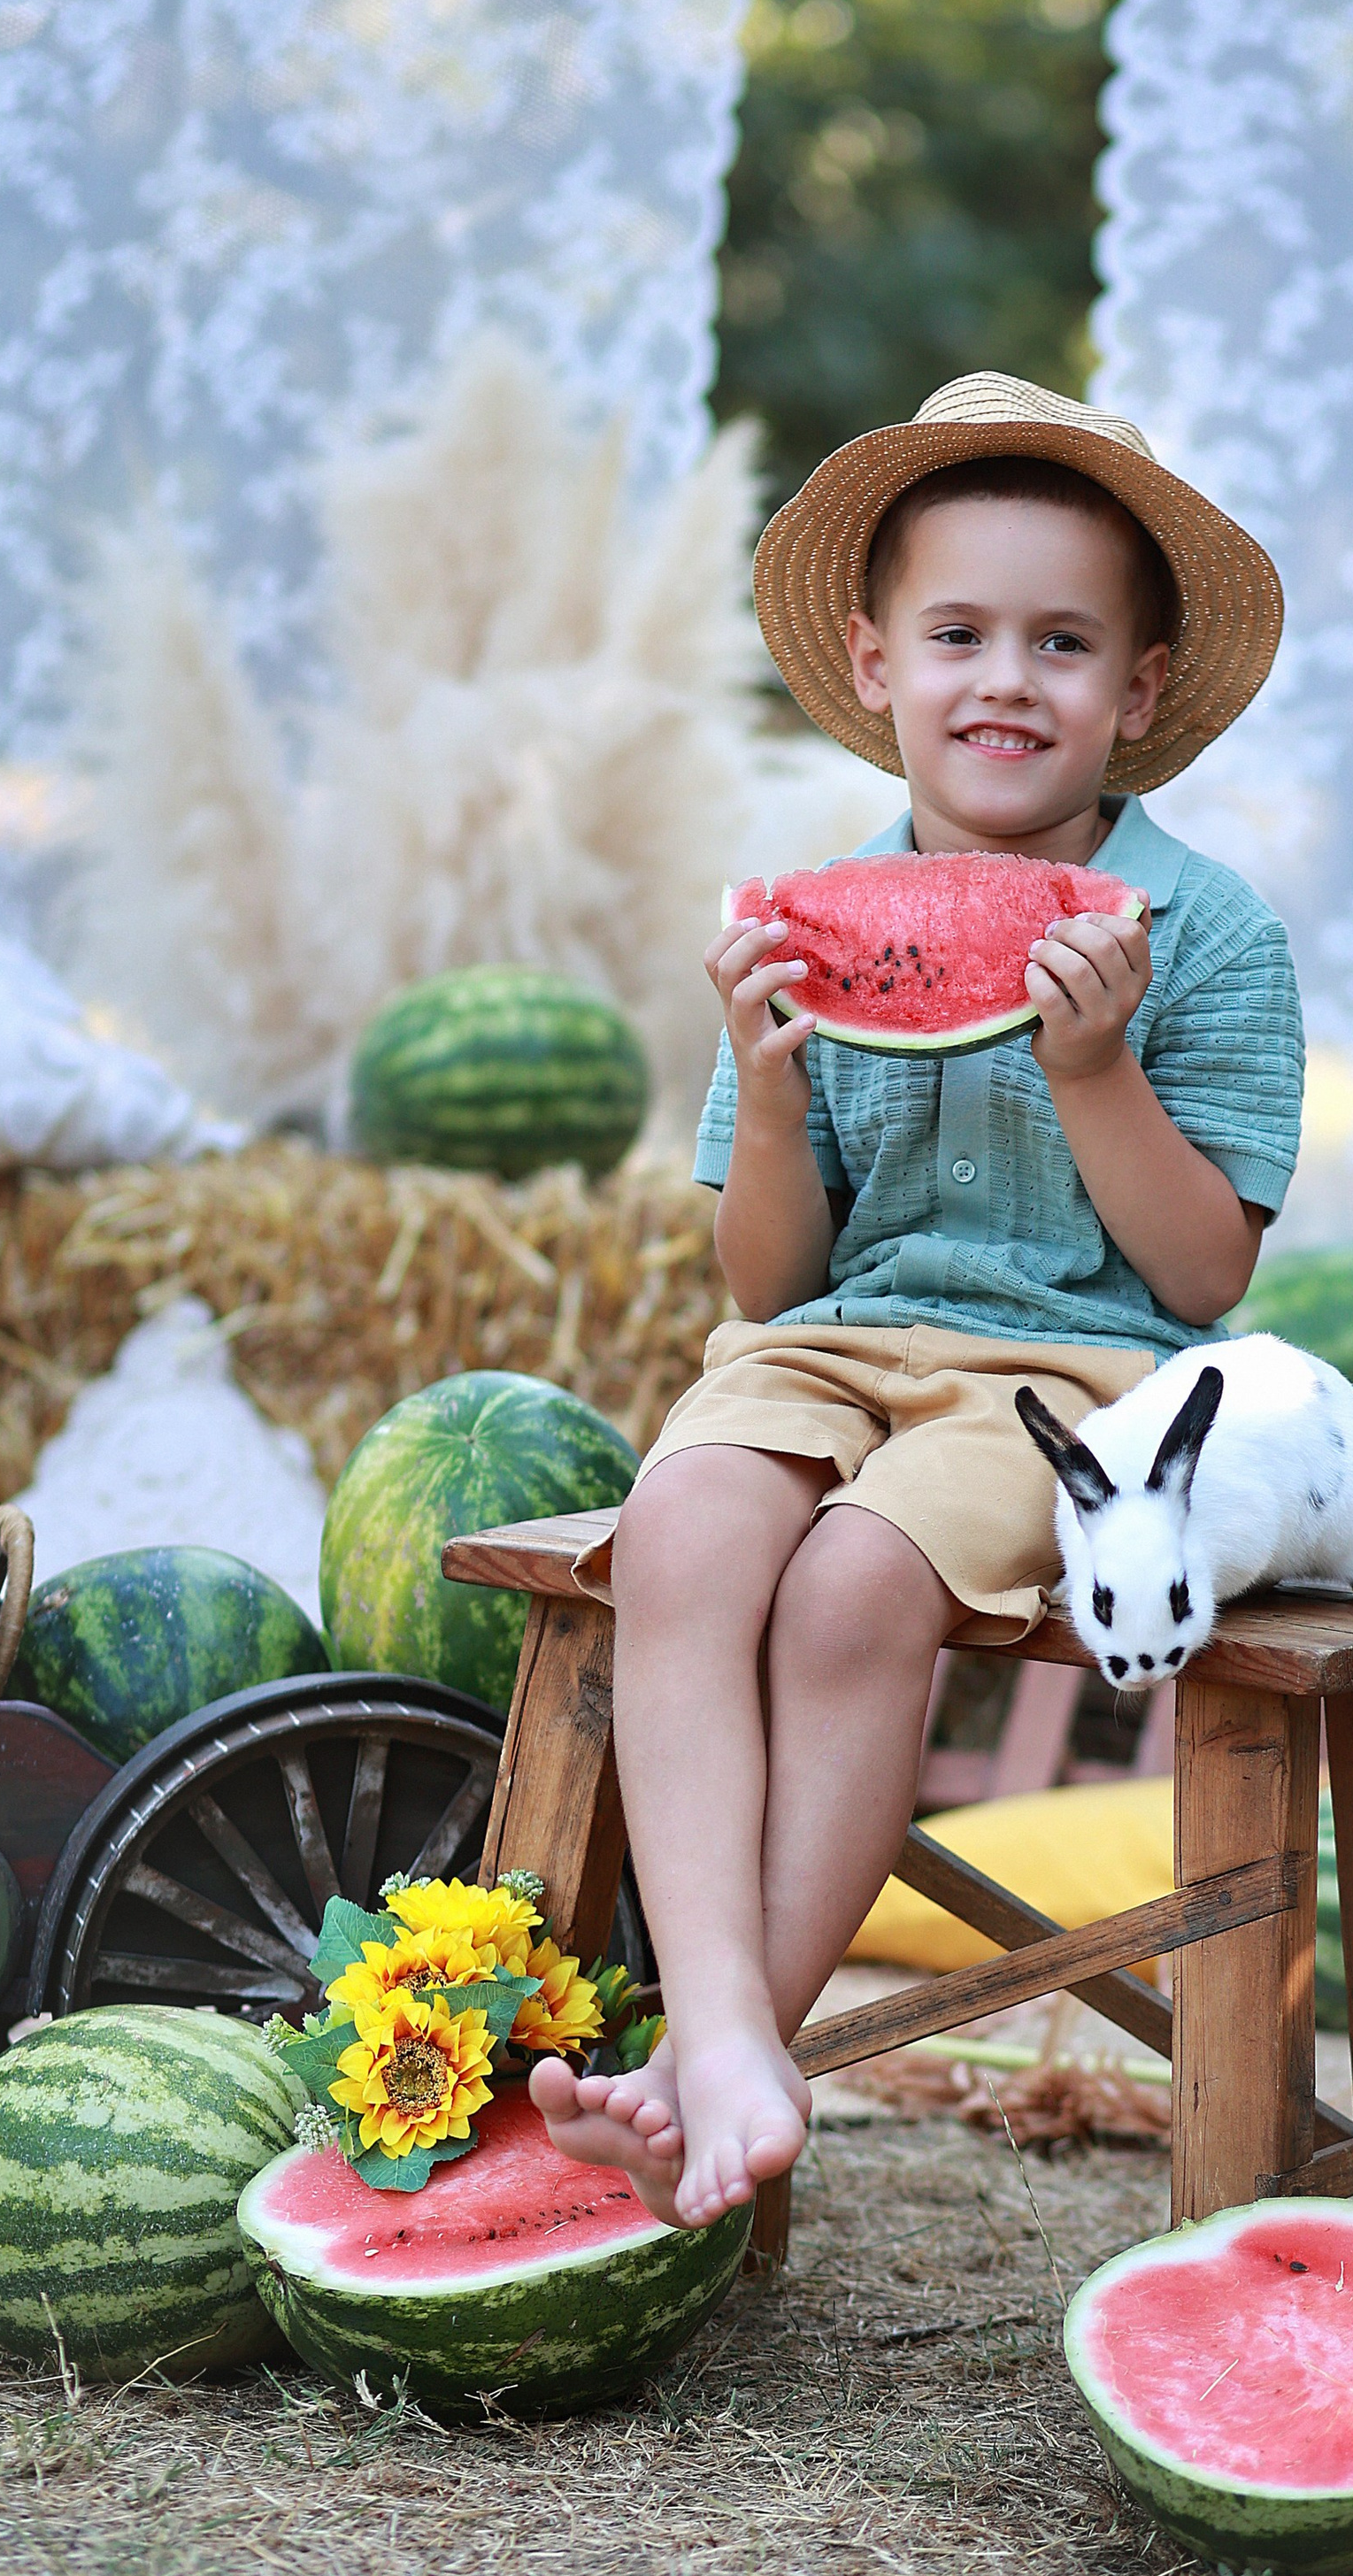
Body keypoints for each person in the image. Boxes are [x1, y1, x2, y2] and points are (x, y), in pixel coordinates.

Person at [530, 372, 1299, 2224]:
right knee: (688, 1530)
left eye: (1059, 642)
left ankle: (733, 2043)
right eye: (957, 634)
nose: (1003, 680)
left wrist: (1096, 1071)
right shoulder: (812, 918)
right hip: (824, 1349)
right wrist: (774, 1085)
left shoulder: (1208, 935)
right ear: (874, 664)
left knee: (858, 1585)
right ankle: (707, 2024)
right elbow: (768, 1278)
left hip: (1074, 1376)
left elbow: (1201, 1278)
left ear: (1133, 691)